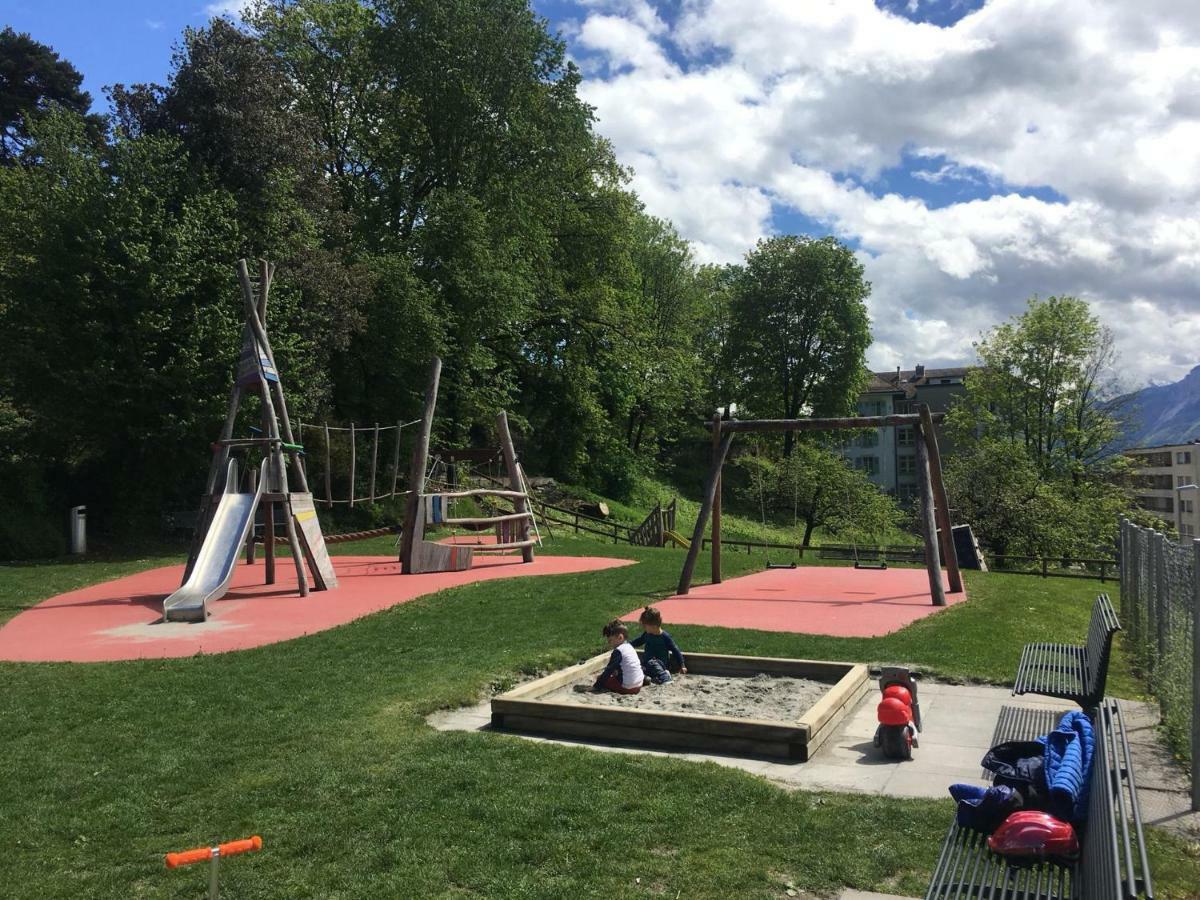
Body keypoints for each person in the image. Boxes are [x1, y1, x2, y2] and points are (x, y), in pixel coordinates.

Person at [631, 606, 686, 684]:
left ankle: (665, 676)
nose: (644, 628)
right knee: (639, 667)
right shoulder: (647, 634)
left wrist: (682, 665)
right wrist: (628, 645)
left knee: (652, 663)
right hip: (647, 664)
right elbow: (638, 641)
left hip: (660, 664)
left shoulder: (665, 637)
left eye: (645, 626)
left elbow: (675, 650)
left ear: (654, 626)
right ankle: (647, 678)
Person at [591, 619, 645, 694]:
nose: (609, 643)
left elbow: (608, 670)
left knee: (601, 678)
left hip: (628, 687)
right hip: (639, 683)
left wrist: (596, 685)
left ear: (620, 637)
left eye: (610, 640)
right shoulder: (629, 647)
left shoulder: (618, 651)